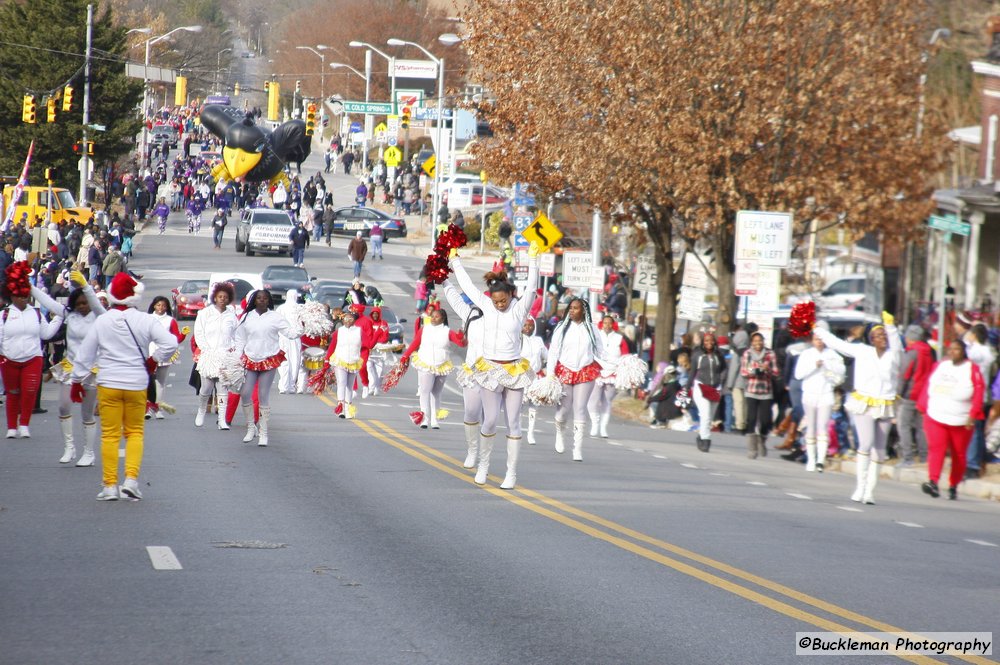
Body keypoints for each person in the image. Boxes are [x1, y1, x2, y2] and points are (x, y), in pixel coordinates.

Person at [71, 272, 178, 500]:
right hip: (136, 383)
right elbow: (170, 343)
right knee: (135, 433)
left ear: (112, 296)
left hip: (108, 382)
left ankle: (109, 485)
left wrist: (77, 380)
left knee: (109, 435)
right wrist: (153, 359)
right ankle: (130, 480)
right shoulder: (145, 320)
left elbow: (86, 354)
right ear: (134, 296)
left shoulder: (103, 320)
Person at [449, 248, 540, 489]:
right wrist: (455, 261)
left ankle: (511, 473)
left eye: (504, 300)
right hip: (489, 369)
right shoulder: (487, 306)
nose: (499, 304)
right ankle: (484, 465)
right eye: (496, 301)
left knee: (513, 422)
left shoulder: (520, 310)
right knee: (489, 421)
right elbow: (468, 286)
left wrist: (534, 258)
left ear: (511, 295)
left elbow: (532, 288)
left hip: (513, 370)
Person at [814, 312, 901, 505]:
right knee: (865, 444)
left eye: (884, 335)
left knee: (879, 450)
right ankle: (860, 487)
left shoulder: (893, 355)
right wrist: (818, 329)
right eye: (877, 336)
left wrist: (890, 326)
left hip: (885, 404)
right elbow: (838, 344)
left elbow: (897, 344)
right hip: (864, 403)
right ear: (870, 339)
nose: (882, 339)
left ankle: (870, 491)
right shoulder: (862, 351)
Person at [30, 271, 104, 464]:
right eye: (78, 304)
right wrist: (28, 285)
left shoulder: (99, 316)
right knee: (63, 406)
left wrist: (87, 287)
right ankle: (69, 448)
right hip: (70, 368)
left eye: (85, 302)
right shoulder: (68, 314)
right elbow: (47, 301)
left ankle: (88, 452)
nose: (82, 306)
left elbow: (98, 307)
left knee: (87, 413)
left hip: (92, 370)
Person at [0, 262, 64, 438]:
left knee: (29, 392)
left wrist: (59, 318)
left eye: (25, 295)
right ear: (10, 295)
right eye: (18, 295)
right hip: (9, 359)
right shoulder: (4, 315)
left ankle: (24, 424)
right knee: (12, 393)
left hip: (32, 358)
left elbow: (47, 333)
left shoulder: (36, 313)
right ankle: (12, 426)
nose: (22, 298)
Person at [919, 341, 985, 500]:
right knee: (936, 449)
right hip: (936, 415)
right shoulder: (941, 365)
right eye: (951, 349)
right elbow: (928, 385)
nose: (953, 352)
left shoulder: (972, 369)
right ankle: (933, 481)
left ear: (963, 352)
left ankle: (953, 484)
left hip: (961, 420)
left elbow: (979, 392)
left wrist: (973, 414)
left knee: (958, 454)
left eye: (957, 349)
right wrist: (922, 406)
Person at [234, 290, 300, 445]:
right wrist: (236, 358)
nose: (262, 301)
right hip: (250, 358)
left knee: (263, 395)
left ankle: (264, 433)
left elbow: (290, 333)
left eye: (265, 298)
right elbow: (240, 338)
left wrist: (303, 326)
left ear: (268, 301)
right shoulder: (246, 317)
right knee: (245, 393)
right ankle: (251, 427)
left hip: (269, 359)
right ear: (254, 301)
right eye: (259, 298)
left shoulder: (275, 317)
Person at [547, 298, 604, 461]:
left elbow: (600, 351)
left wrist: (616, 364)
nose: (572, 311)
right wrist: (550, 374)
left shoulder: (592, 329)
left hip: (585, 370)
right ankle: (560, 432)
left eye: (576, 308)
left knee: (580, 408)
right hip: (565, 369)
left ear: (583, 311)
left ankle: (577, 448)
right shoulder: (562, 328)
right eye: (570, 308)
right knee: (563, 410)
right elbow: (553, 352)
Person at [443, 278, 486, 467]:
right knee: (470, 412)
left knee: (489, 418)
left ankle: (485, 457)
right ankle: (472, 451)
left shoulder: (503, 317)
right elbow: (455, 299)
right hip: (472, 371)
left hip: (495, 372)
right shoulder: (471, 315)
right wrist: (444, 279)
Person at [401, 306, 466, 429]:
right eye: (432, 316)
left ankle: (435, 419)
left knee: (436, 392)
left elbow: (461, 343)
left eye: (437, 316)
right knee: (425, 391)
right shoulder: (424, 329)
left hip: (442, 364)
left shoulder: (447, 332)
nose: (433, 318)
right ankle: (424, 418)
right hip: (426, 362)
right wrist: (405, 355)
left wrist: (461, 336)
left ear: (443, 318)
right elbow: (415, 343)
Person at [794, 322, 845, 471]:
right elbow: (798, 375)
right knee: (811, 426)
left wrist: (828, 367)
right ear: (812, 339)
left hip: (826, 394)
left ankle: (820, 460)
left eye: (822, 339)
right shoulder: (806, 354)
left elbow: (840, 375)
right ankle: (811, 459)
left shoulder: (833, 355)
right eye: (817, 339)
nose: (819, 342)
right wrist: (814, 366)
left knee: (823, 427)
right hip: (809, 394)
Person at [193, 282, 237, 429]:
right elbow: (199, 333)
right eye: (220, 296)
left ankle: (222, 419)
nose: (222, 299)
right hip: (208, 355)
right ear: (215, 297)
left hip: (225, 356)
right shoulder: (205, 313)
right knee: (206, 388)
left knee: (223, 389)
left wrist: (233, 350)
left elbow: (236, 335)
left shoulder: (231, 315)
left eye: (225, 297)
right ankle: (201, 411)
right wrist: (206, 349)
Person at [895, 325, 935, 467]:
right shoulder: (929, 352)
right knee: (921, 427)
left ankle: (908, 457)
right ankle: (924, 457)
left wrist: (898, 393)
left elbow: (904, 374)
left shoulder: (912, 353)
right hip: (924, 395)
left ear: (910, 338)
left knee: (904, 426)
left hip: (910, 394)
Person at [739, 332, 781, 460]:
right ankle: (752, 448)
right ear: (751, 343)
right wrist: (754, 370)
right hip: (751, 390)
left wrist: (767, 369)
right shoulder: (748, 354)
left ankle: (761, 440)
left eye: (760, 341)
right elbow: (743, 371)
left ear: (763, 342)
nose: (758, 344)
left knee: (765, 421)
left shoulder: (770, 354)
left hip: (765, 391)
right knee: (751, 419)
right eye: (755, 342)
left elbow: (776, 372)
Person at [145, 296, 188, 419]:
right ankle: (147, 409)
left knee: (160, 382)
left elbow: (175, 340)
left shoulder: (170, 320)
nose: (161, 308)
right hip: (150, 353)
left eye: (163, 305)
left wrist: (183, 335)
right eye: (158, 305)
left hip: (164, 354)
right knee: (148, 381)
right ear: (154, 306)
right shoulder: (148, 319)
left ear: (167, 307)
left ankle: (157, 408)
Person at [588, 314, 630, 439]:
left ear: (613, 325)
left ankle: (603, 427)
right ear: (602, 324)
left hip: (612, 372)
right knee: (592, 401)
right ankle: (595, 424)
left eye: (609, 323)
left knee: (607, 400)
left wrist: (622, 367)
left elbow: (625, 355)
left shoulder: (619, 338)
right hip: (597, 371)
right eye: (605, 323)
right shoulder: (596, 335)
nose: (607, 325)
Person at [323, 308, 366, 419]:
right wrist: (327, 360)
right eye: (346, 318)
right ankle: (341, 408)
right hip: (340, 360)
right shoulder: (339, 331)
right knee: (341, 383)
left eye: (350, 318)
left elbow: (368, 343)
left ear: (354, 320)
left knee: (349, 386)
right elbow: (332, 346)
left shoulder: (359, 331)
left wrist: (378, 333)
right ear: (343, 320)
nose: (348, 320)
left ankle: (348, 409)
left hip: (353, 361)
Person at [688, 332, 727, 452]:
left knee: (709, 417)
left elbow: (724, 368)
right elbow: (692, 372)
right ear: (703, 342)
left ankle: (701, 435)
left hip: (715, 388)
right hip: (701, 387)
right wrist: (686, 387)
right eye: (706, 341)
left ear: (714, 341)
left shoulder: (719, 355)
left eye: (711, 340)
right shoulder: (697, 355)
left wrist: (721, 379)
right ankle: (705, 440)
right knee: (705, 415)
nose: (709, 343)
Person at [521, 316, 548, 445]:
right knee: (518, 406)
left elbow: (547, 356)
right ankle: (517, 430)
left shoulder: (538, 341)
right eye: (525, 325)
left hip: (536, 377)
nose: (528, 328)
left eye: (530, 325)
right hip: (520, 377)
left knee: (534, 406)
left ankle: (530, 433)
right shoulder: (517, 339)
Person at [276, 290, 302, 394]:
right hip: (295, 338)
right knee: (295, 361)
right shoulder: (299, 308)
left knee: (283, 361)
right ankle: (291, 385)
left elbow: (276, 322)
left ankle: (283, 385)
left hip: (283, 337)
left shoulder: (281, 308)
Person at [365, 306, 391, 396]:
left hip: (380, 351)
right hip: (370, 350)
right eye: (373, 313)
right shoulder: (368, 323)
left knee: (379, 372)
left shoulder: (383, 324)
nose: (375, 315)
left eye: (377, 313)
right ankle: (371, 387)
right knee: (369, 369)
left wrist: (378, 343)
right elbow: (366, 335)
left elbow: (385, 336)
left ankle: (377, 387)